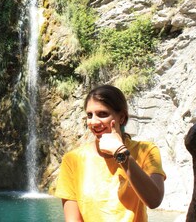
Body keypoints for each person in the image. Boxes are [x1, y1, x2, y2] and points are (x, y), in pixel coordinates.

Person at [54, 85, 166, 222]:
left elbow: (154, 200)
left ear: (122, 118)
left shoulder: (146, 150)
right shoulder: (73, 160)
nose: (93, 122)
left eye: (102, 114)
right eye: (89, 115)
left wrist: (120, 152)